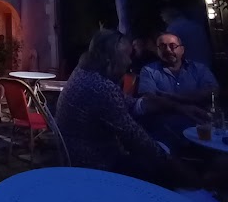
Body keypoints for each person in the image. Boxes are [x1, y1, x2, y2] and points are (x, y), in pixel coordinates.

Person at [56, 29, 203, 188]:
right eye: (126, 55)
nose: (129, 61)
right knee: (162, 170)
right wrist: (177, 167)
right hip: (95, 166)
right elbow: (135, 138)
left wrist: (179, 108)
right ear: (110, 58)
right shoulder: (101, 87)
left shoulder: (85, 73)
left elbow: (131, 103)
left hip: (76, 157)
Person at [138, 33, 219, 106]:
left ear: (182, 49)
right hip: (165, 121)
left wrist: (175, 98)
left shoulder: (199, 69)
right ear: (157, 50)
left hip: (199, 120)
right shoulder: (148, 71)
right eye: (162, 47)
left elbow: (213, 91)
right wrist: (184, 106)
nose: (168, 50)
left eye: (172, 46)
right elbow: (149, 99)